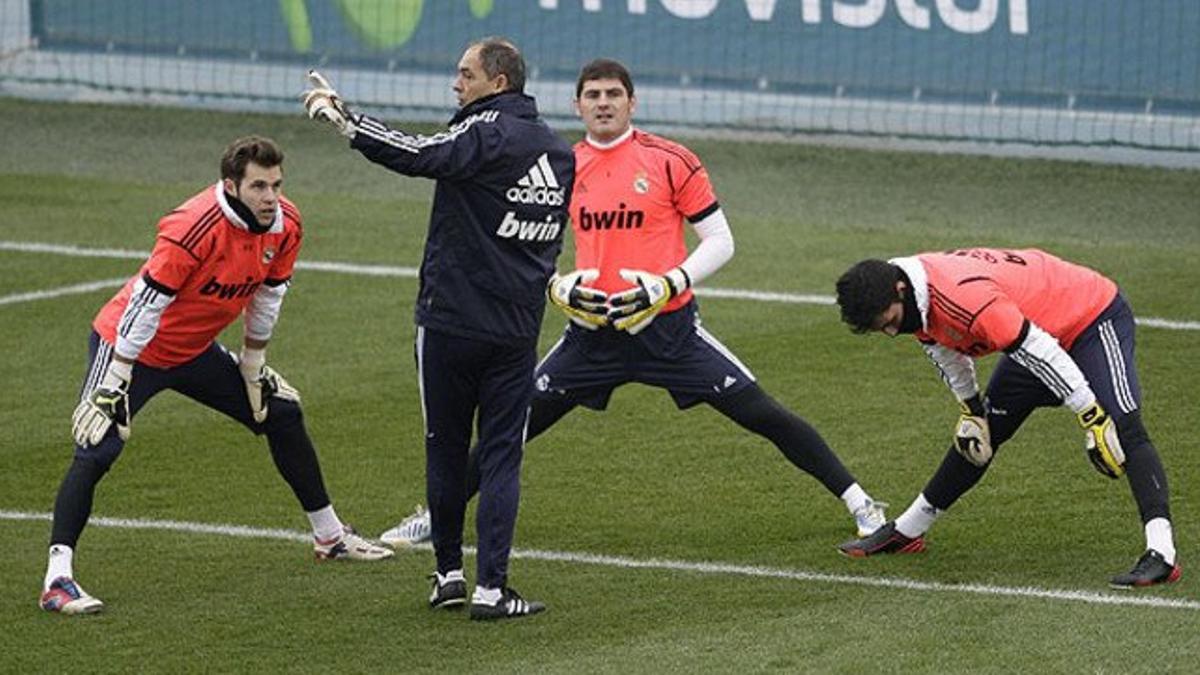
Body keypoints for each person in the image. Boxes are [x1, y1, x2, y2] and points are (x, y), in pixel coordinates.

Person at [379, 58, 888, 552]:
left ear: (632, 103)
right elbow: (521, 242)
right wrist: (556, 286)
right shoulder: (558, 163)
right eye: (593, 96)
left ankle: (862, 503)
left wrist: (668, 284)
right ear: (577, 105)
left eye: (614, 95)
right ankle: (435, 517)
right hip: (591, 339)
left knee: (764, 414)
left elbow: (720, 240)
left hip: (671, 334)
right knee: (508, 431)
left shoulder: (671, 160)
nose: (604, 104)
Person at [40, 136, 392, 616]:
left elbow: (268, 297)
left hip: (192, 351)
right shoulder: (193, 227)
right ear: (231, 185)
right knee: (99, 446)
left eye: (276, 185)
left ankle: (331, 538)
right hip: (128, 345)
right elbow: (146, 306)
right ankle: (57, 580)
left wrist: (252, 368)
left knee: (282, 413)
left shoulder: (285, 224)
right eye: (259, 187)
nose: (271, 197)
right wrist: (115, 379)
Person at [302, 37, 573, 620]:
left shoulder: (481, 133)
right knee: (501, 456)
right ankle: (491, 590)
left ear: (498, 82)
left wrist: (349, 122)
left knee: (446, 449)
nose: (457, 84)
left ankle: (449, 572)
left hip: (450, 323)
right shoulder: (559, 152)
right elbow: (549, 239)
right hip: (516, 331)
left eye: (465, 74)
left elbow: (419, 152)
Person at [833, 247, 1180, 588]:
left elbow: (1039, 350)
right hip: (1033, 329)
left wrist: (1091, 415)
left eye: (890, 322)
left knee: (1123, 425)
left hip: (1088, 317)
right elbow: (942, 348)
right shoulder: (914, 298)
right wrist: (971, 407)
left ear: (900, 291)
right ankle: (907, 532)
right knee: (981, 435)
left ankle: (1162, 553)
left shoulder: (962, 296)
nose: (892, 332)